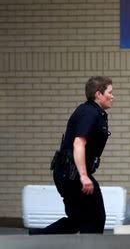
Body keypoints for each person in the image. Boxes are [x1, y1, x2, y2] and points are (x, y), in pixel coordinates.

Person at [29, 76, 114, 234]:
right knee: (95, 218)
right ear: (98, 94)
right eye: (110, 92)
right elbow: (78, 143)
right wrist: (83, 176)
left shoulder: (92, 111)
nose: (113, 96)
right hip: (72, 175)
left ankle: (35, 238)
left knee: (78, 220)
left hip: (67, 173)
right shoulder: (89, 113)